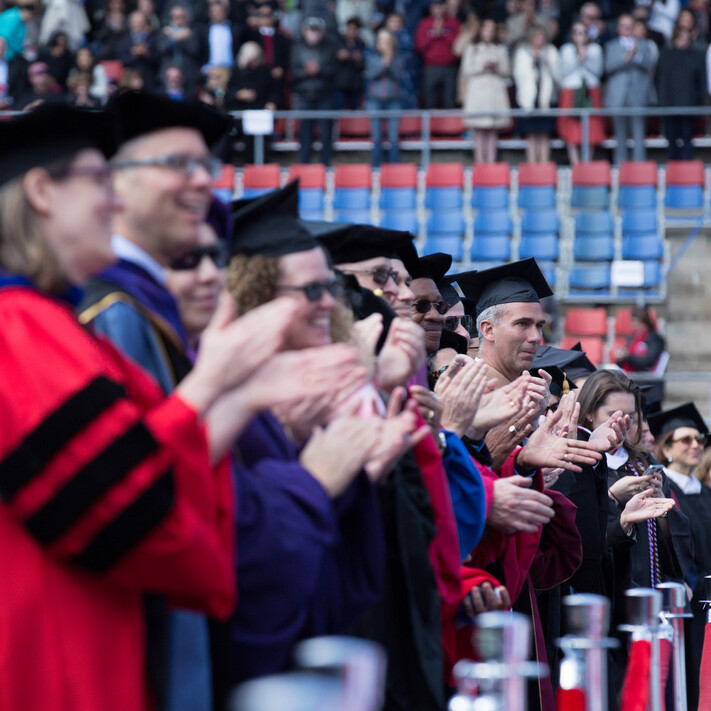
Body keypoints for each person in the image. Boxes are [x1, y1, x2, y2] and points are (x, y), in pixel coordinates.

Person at [0, 101, 310, 711]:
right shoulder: (18, 331)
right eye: (98, 181)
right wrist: (216, 382)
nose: (113, 203)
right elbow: (131, 512)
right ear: (41, 191)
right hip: (57, 661)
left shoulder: (53, 328)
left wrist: (236, 393)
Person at [78, 90, 231, 711]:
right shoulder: (110, 309)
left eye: (205, 167)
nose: (201, 183)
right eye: (177, 164)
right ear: (116, 184)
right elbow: (134, 493)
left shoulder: (142, 303)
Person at [648, 402, 711, 710]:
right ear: (666, 447)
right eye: (685, 439)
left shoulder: (706, 491)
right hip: (689, 605)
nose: (696, 445)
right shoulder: (664, 490)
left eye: (699, 439)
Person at [604, 13, 658, 164]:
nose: (627, 29)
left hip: (638, 95)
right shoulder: (611, 45)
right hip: (618, 96)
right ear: (618, 28)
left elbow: (650, 66)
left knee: (639, 134)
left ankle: (639, 170)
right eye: (623, 26)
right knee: (619, 136)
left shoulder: (644, 44)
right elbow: (607, 67)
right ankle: (620, 170)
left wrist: (637, 56)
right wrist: (626, 57)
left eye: (630, 26)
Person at [460, 16, 511, 164]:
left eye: (492, 29)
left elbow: (507, 70)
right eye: (486, 28)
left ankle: (491, 162)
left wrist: (496, 66)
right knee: (479, 129)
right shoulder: (472, 47)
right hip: (478, 92)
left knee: (492, 129)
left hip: (494, 91)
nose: (489, 31)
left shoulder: (500, 48)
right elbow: (466, 70)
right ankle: (480, 163)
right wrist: (482, 66)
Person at [557, 19, 605, 165]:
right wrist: (578, 58)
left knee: (591, 128)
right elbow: (564, 72)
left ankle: (587, 163)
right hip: (571, 90)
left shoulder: (595, 49)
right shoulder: (566, 50)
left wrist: (586, 58)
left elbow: (598, 72)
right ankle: (575, 163)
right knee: (571, 128)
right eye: (576, 33)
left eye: (582, 33)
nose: (580, 36)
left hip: (590, 90)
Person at [290, 16, 337, 165]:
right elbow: (292, 71)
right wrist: (306, 71)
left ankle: (326, 164)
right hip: (304, 94)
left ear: (322, 32)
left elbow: (334, 71)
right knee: (305, 132)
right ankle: (304, 163)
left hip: (325, 94)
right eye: (311, 30)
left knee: (326, 132)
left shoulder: (329, 46)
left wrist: (319, 70)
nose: (314, 34)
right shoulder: (297, 47)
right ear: (304, 31)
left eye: (317, 31)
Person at [657, 25, 706, 161]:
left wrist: (702, 104)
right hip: (669, 105)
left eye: (686, 38)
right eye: (680, 38)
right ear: (674, 39)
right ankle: (673, 173)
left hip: (689, 106)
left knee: (687, 139)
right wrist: (661, 103)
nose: (683, 41)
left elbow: (701, 82)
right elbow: (660, 80)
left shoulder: (697, 56)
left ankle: (686, 173)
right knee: (671, 140)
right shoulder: (666, 55)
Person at [512, 24, 560, 163]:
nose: (539, 40)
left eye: (542, 37)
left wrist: (548, 64)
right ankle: (532, 165)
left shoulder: (551, 51)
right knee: (531, 135)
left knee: (545, 135)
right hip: (529, 99)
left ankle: (544, 165)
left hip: (546, 99)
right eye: (537, 37)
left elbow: (558, 76)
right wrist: (532, 63)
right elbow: (519, 75)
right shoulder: (522, 53)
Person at [364, 28, 404, 167]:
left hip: (394, 100)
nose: (384, 43)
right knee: (376, 137)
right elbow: (371, 75)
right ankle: (376, 169)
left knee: (393, 137)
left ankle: (394, 168)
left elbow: (398, 75)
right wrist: (383, 63)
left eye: (387, 41)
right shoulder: (371, 57)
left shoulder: (398, 58)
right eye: (381, 40)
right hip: (374, 100)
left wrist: (390, 61)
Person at [414, 0, 460, 109]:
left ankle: (449, 126)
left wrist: (444, 34)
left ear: (445, 6)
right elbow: (419, 46)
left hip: (450, 67)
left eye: (440, 5)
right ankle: (430, 126)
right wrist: (433, 35)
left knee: (450, 102)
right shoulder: (424, 23)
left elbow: (459, 46)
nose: (437, 8)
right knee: (430, 102)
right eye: (435, 5)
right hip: (430, 68)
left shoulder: (453, 22)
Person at [614, 305, 666, 373]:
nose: (634, 324)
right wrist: (620, 358)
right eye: (632, 320)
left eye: (636, 321)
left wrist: (627, 356)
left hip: (646, 378)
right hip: (631, 376)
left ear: (644, 321)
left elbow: (648, 361)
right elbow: (623, 363)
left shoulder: (654, 338)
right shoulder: (632, 338)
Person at [117, 10, 160, 90]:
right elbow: (121, 60)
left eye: (141, 22)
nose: (139, 24)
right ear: (131, 24)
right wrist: (134, 54)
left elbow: (157, 60)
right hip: (130, 80)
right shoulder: (124, 40)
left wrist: (146, 54)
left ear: (145, 23)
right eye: (136, 22)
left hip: (149, 80)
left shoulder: (152, 39)